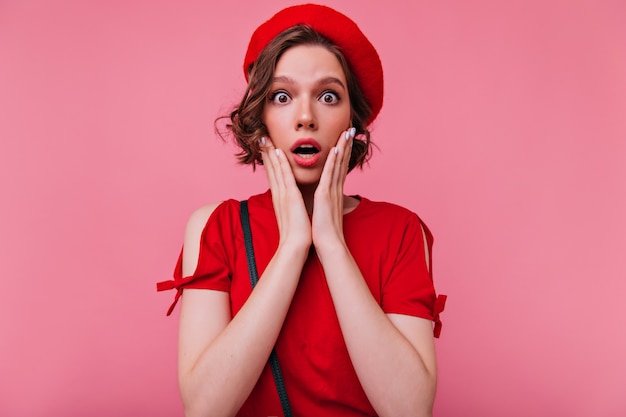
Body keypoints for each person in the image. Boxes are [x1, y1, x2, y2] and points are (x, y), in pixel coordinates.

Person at [157, 4, 446, 417]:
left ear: (353, 121)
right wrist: (293, 245)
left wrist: (330, 243)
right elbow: (205, 408)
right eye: (282, 96)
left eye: (328, 96)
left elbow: (410, 409)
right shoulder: (215, 228)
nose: (306, 117)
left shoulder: (400, 231)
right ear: (261, 117)